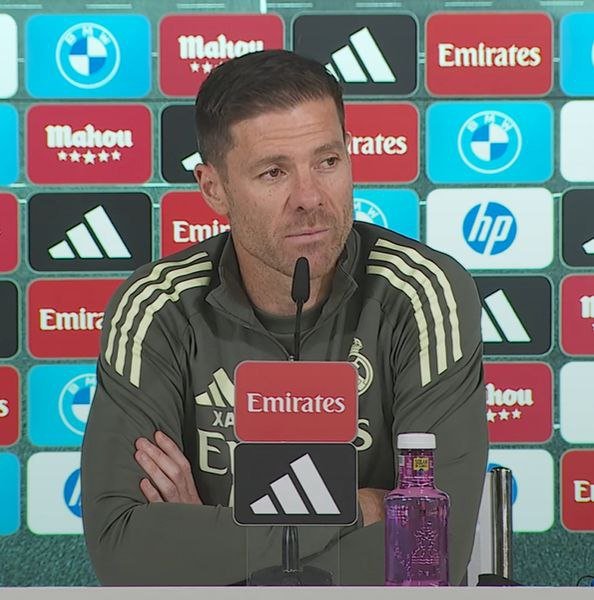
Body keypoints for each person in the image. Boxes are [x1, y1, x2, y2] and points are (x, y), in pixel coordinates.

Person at [81, 49, 488, 586]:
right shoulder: (157, 307)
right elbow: (123, 551)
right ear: (213, 188)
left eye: (327, 161)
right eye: (274, 172)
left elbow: (430, 548)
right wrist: (360, 509)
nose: (310, 197)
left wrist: (210, 534)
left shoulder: (422, 293)